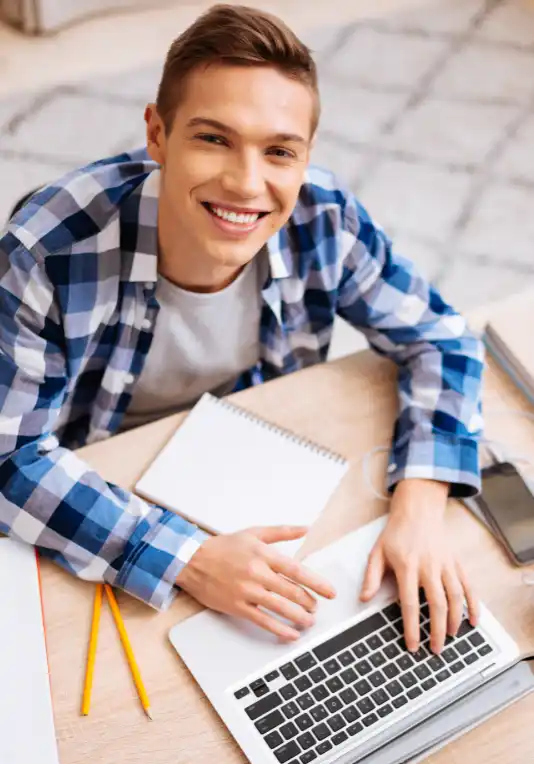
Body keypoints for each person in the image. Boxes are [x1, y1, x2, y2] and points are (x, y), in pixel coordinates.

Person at [0, 3, 483, 655]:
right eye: (213, 138)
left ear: (305, 156)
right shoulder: (44, 251)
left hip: (240, 454)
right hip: (99, 469)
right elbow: (10, 457)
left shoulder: (326, 218)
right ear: (158, 134)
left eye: (279, 151)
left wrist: (420, 506)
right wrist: (188, 559)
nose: (246, 183)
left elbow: (442, 336)